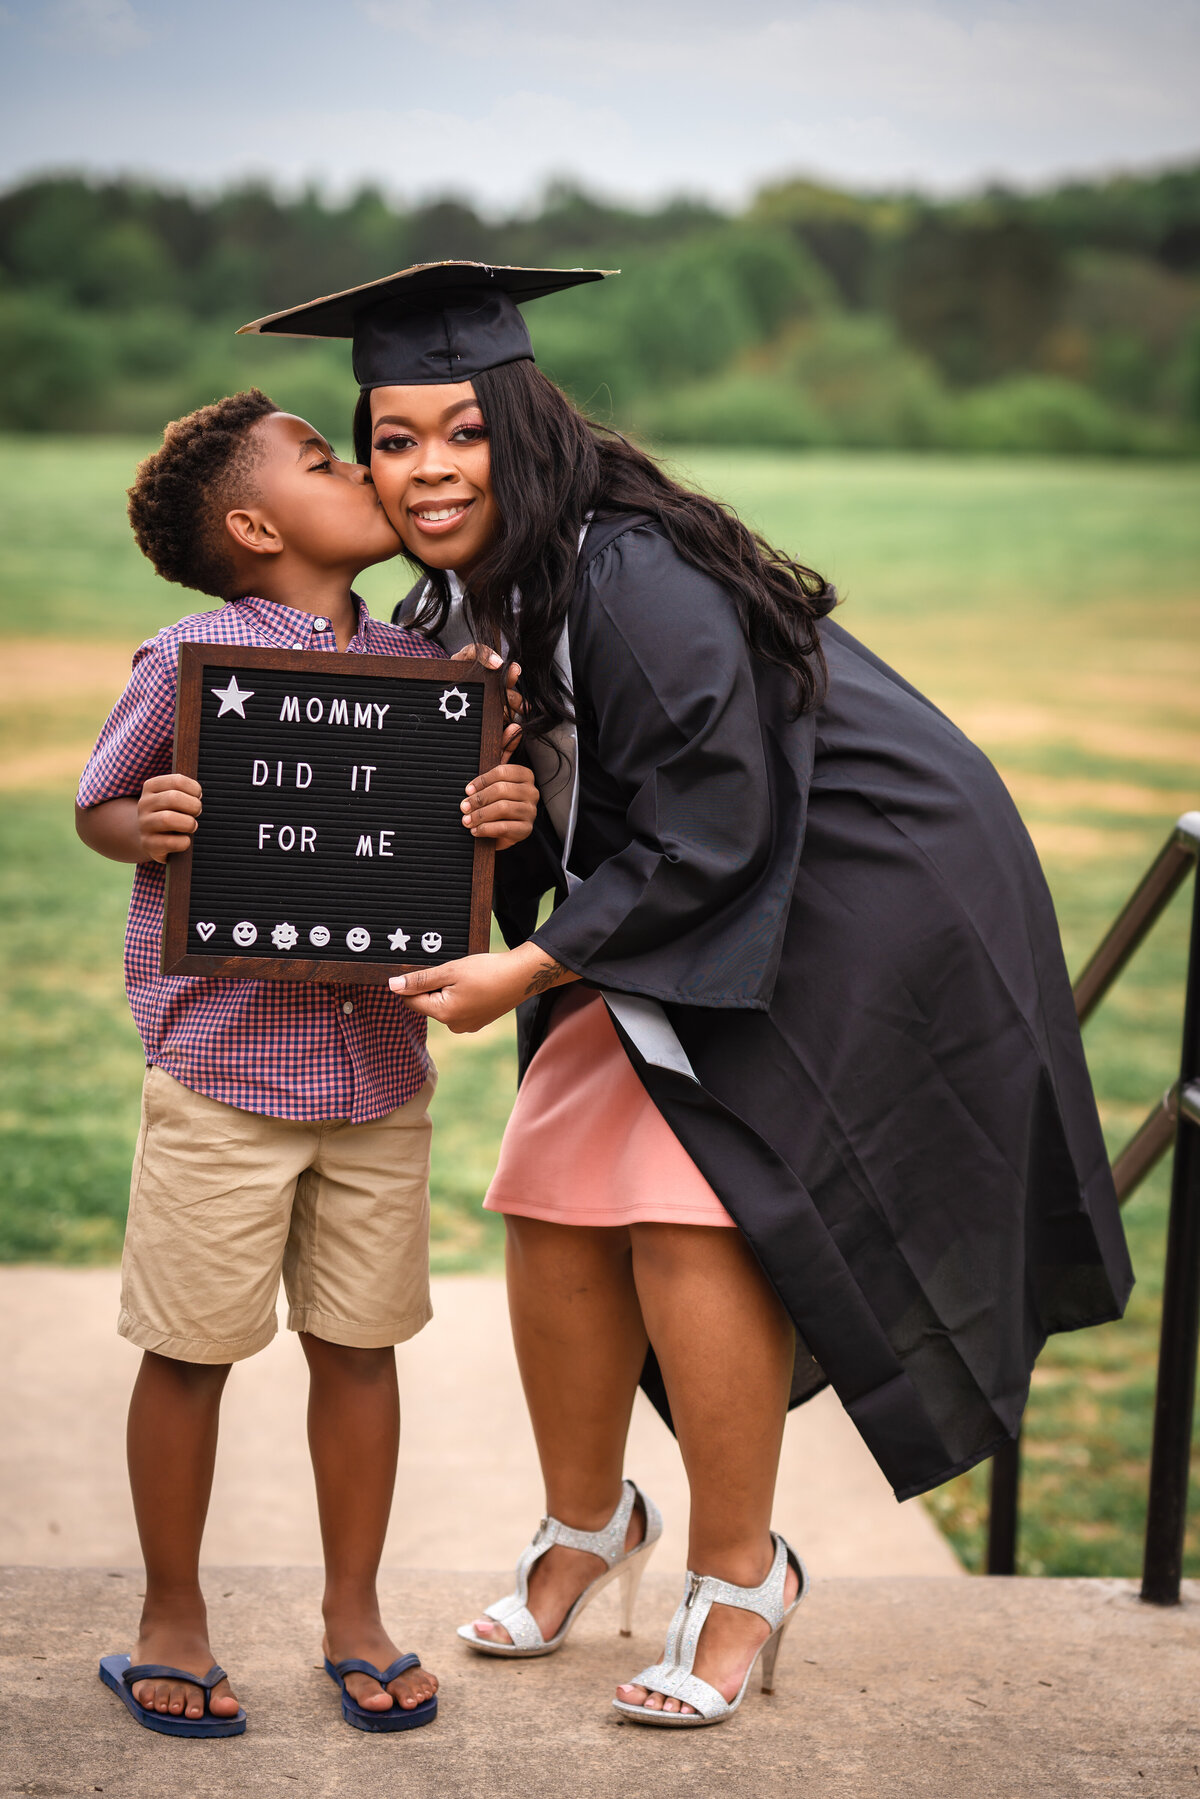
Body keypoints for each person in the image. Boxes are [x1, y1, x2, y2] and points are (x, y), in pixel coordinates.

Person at [243, 264, 1132, 1728]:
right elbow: (575, 814)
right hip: (704, 891)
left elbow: (717, 824)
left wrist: (528, 965)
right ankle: (593, 1526)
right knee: (546, 1179)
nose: (427, 469)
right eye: (391, 439)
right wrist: (501, 810)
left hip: (859, 881)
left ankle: (740, 1574)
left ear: (523, 423)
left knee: (684, 1188)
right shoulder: (466, 590)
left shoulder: (628, 569)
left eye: (459, 430)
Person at [75, 390, 539, 1738]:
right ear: (257, 523)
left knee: (360, 1345)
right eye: (334, 459)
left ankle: (356, 1611)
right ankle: (171, 1615)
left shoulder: (428, 669)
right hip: (226, 1077)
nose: (372, 475)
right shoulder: (194, 658)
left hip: (376, 1082)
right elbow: (103, 802)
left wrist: (495, 811)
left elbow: (444, 847)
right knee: (189, 1348)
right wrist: (145, 819)